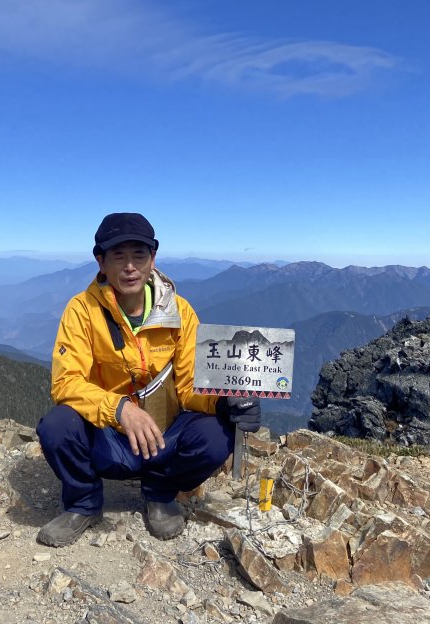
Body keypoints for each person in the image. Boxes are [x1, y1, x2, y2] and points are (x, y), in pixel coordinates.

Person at [35, 212, 261, 546]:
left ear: (153, 259)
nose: (130, 267)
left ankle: (159, 492)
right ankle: (83, 503)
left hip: (163, 435)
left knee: (216, 435)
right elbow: (66, 382)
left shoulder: (179, 312)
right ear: (101, 262)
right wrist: (119, 409)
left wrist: (225, 403)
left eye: (139, 255)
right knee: (57, 426)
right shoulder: (82, 311)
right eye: (118, 256)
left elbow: (188, 388)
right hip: (108, 437)